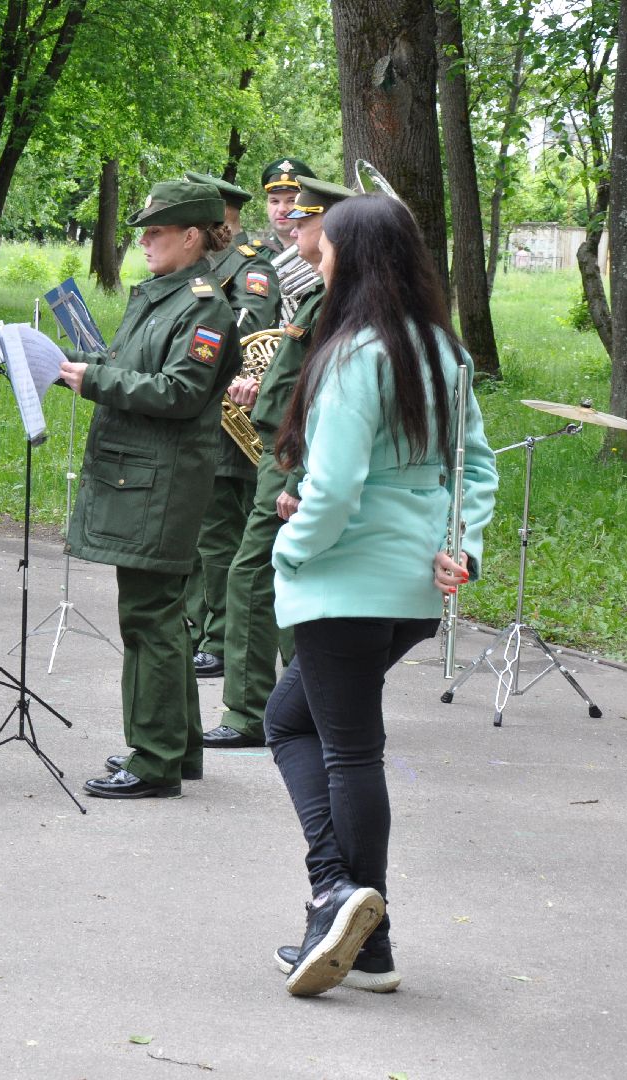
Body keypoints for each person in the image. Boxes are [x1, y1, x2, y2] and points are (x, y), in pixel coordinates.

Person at [264, 193, 497, 996]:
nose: (314, 260)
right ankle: (362, 934)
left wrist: (288, 550)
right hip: (410, 589)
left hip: (342, 583)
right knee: (289, 720)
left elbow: (332, 489)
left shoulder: (357, 354)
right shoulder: (444, 350)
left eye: (323, 250)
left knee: (348, 749)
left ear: (354, 259)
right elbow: (475, 468)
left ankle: (341, 902)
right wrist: (460, 546)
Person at [58, 180, 242, 799]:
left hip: (163, 481)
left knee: (150, 617)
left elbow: (180, 391)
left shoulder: (204, 307)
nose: (143, 242)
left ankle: (155, 758)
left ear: (191, 236)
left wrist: (97, 382)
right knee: (160, 614)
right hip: (140, 474)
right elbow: (133, 368)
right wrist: (82, 371)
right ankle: (178, 746)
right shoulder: (161, 295)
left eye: (155, 232)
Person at [206, 176, 354, 751]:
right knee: (292, 573)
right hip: (285, 449)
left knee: (254, 573)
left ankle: (250, 714)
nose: (293, 223)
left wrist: (295, 472)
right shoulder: (323, 292)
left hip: (293, 455)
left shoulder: (337, 297)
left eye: (307, 217)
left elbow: (328, 393)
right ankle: (306, 703)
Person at [181, 171, 281, 680]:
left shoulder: (250, 266)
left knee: (220, 534)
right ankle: (201, 628)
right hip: (200, 413)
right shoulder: (203, 266)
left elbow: (250, 329)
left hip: (231, 417)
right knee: (203, 533)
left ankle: (220, 641)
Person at [259, 157, 316, 254]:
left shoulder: (322, 252)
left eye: (291, 201)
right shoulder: (256, 255)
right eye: (275, 201)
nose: (281, 209)